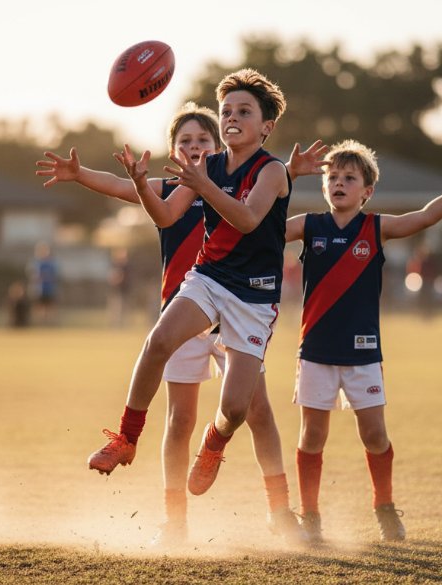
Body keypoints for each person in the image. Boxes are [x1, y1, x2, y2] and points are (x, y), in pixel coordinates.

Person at [36, 98, 326, 545]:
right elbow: (135, 195)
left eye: (202, 139)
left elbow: (255, 206)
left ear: (215, 144)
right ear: (174, 149)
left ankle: (275, 506)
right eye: (185, 140)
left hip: (247, 300)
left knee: (250, 411)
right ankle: (165, 506)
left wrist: (287, 170)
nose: (196, 145)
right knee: (177, 413)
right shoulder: (184, 182)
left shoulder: (229, 174)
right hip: (194, 298)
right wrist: (111, 179)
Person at [96, 68, 298, 509]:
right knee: (158, 341)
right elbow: (166, 217)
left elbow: (246, 219)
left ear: (266, 126)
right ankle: (127, 439)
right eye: (226, 110)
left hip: (254, 297)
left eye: (244, 111)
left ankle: (216, 439)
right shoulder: (206, 165)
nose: (231, 117)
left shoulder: (273, 172)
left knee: (237, 411)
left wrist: (203, 184)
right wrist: (138, 184)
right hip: (209, 278)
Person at [287, 141, 442, 543]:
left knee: (374, 435)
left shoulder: (376, 227)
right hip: (314, 352)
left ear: (368, 191)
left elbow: (424, 217)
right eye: (332, 178)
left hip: (363, 354)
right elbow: (257, 230)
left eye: (350, 178)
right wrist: (284, 175)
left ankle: (384, 507)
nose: (339, 184)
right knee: (312, 436)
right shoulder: (307, 226)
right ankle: (309, 515)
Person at [26, 241, 59, 325]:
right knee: (38, 306)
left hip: (49, 288)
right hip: (39, 289)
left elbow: (54, 275)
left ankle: (50, 323)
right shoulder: (36, 263)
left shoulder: (52, 263)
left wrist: (47, 277)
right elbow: (33, 276)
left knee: (50, 305)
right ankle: (39, 322)